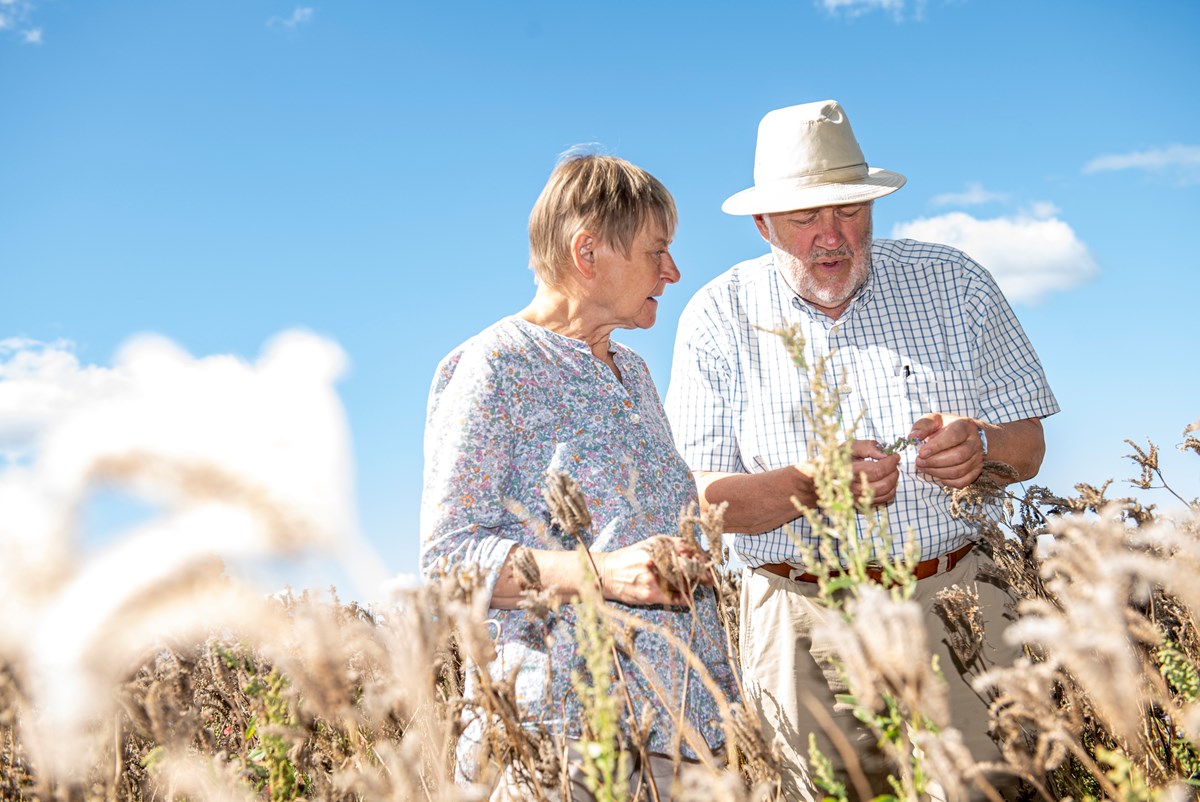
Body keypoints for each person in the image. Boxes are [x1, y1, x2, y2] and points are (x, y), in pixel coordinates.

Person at [664, 100, 1059, 800]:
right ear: (762, 226)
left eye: (847, 210)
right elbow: (701, 500)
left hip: (956, 600)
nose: (830, 236)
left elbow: (1027, 448)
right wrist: (812, 486)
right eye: (804, 219)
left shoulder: (956, 284)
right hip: (797, 623)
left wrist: (982, 447)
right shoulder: (716, 316)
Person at [420, 151, 740, 800]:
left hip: (685, 726)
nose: (673, 272)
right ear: (587, 252)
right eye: (657, 251)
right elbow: (447, 561)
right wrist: (599, 573)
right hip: (563, 736)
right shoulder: (493, 368)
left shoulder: (638, 374)